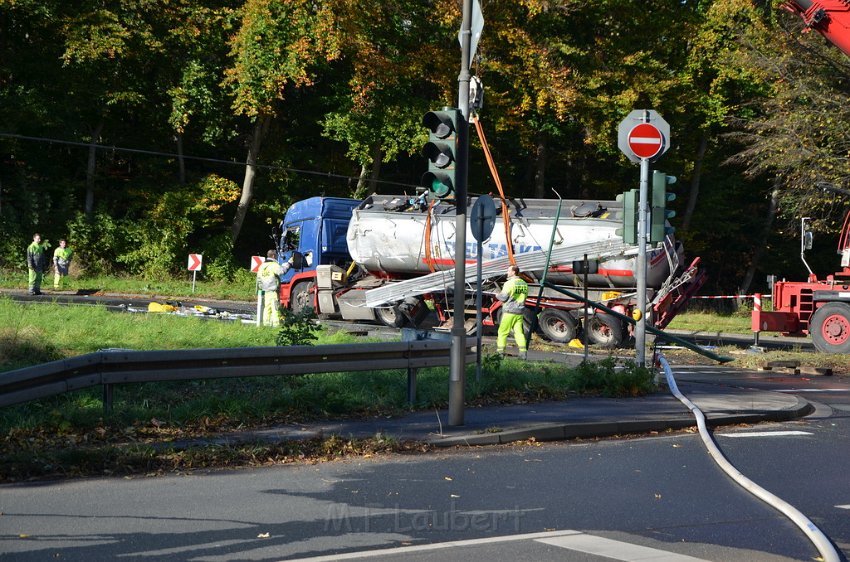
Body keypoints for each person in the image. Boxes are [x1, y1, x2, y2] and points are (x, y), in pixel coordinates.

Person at [496, 264, 529, 359]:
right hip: (519, 312)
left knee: (502, 332)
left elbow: (503, 297)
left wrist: (497, 295)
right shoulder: (524, 283)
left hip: (509, 311)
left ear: (513, 272)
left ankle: (500, 353)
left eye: (508, 270)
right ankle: (523, 354)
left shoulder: (509, 283)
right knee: (519, 332)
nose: (507, 272)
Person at [256, 249, 292, 327]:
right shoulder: (273, 265)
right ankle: (277, 325)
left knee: (267, 309)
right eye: (276, 255)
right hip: (273, 291)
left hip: (266, 291)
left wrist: (262, 288)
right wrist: (289, 263)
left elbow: (259, 280)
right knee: (275, 309)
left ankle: (266, 325)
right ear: (273, 256)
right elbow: (282, 271)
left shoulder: (262, 266)